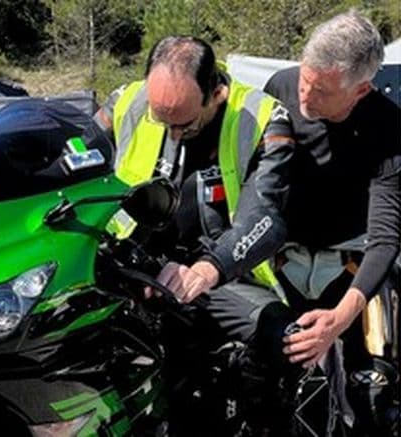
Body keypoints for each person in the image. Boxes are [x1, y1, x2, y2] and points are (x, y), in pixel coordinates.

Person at [92, 35, 302, 434]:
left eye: (184, 123)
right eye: (162, 120)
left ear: (216, 92)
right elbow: (73, 158)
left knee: (284, 339)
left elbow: (267, 217)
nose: (172, 135)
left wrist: (209, 268)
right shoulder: (127, 101)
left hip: (217, 273)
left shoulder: (263, 118)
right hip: (130, 264)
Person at [263, 10, 401, 434]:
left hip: (351, 265)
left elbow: (384, 237)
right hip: (285, 261)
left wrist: (340, 317)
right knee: (276, 384)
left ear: (360, 90)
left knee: (372, 392)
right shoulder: (281, 86)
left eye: (320, 90)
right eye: (304, 79)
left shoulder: (385, 123)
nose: (305, 97)